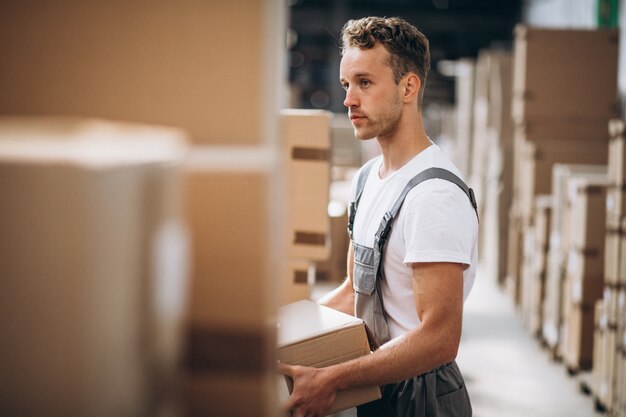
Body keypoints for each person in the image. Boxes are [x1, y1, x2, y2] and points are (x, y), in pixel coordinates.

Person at [279, 16, 478, 417]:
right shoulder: (369, 177)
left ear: (409, 87)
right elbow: (355, 289)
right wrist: (281, 332)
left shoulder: (433, 195)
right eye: (346, 85)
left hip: (424, 400)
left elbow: (439, 338)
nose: (349, 99)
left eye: (365, 83)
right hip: (377, 384)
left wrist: (334, 378)